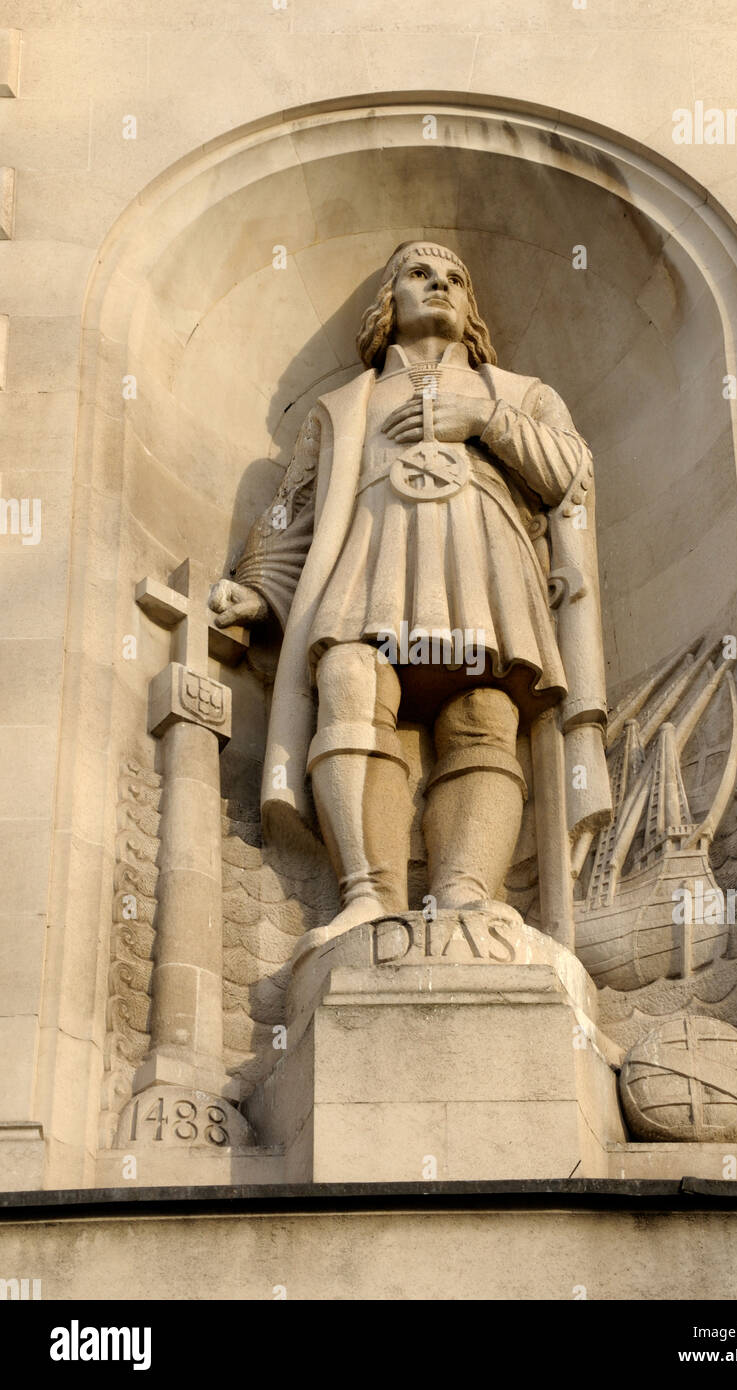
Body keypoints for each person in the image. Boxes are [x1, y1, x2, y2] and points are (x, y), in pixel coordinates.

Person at [210, 241, 609, 946]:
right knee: (349, 678)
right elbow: (293, 509)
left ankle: (465, 893)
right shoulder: (343, 405)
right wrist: (257, 589)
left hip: (483, 566)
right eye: (420, 275)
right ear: (387, 301)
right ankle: (368, 895)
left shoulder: (518, 392)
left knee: (483, 710)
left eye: (456, 278)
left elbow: (570, 476)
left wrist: (485, 423)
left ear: (470, 307)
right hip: (371, 562)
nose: (441, 287)